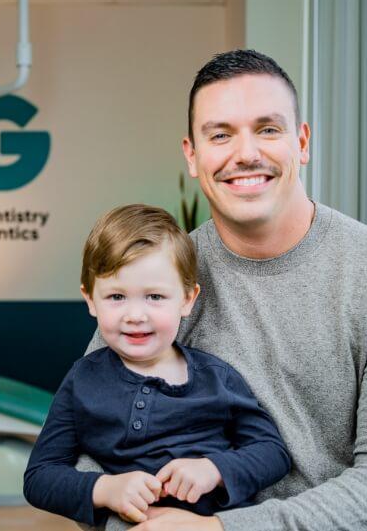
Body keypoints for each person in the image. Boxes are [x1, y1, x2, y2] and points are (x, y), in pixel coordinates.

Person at [82, 50, 367, 531]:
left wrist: (220, 530)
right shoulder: (158, 280)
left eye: (268, 129)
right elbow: (85, 445)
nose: (245, 153)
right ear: (192, 155)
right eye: (220, 135)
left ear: (301, 142)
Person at [23, 204, 291, 527]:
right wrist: (105, 489)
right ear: (91, 299)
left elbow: (273, 452)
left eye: (155, 297)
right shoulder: (83, 381)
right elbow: (39, 476)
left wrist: (214, 469)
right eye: (116, 297)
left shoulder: (217, 379)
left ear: (187, 299)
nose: (135, 315)